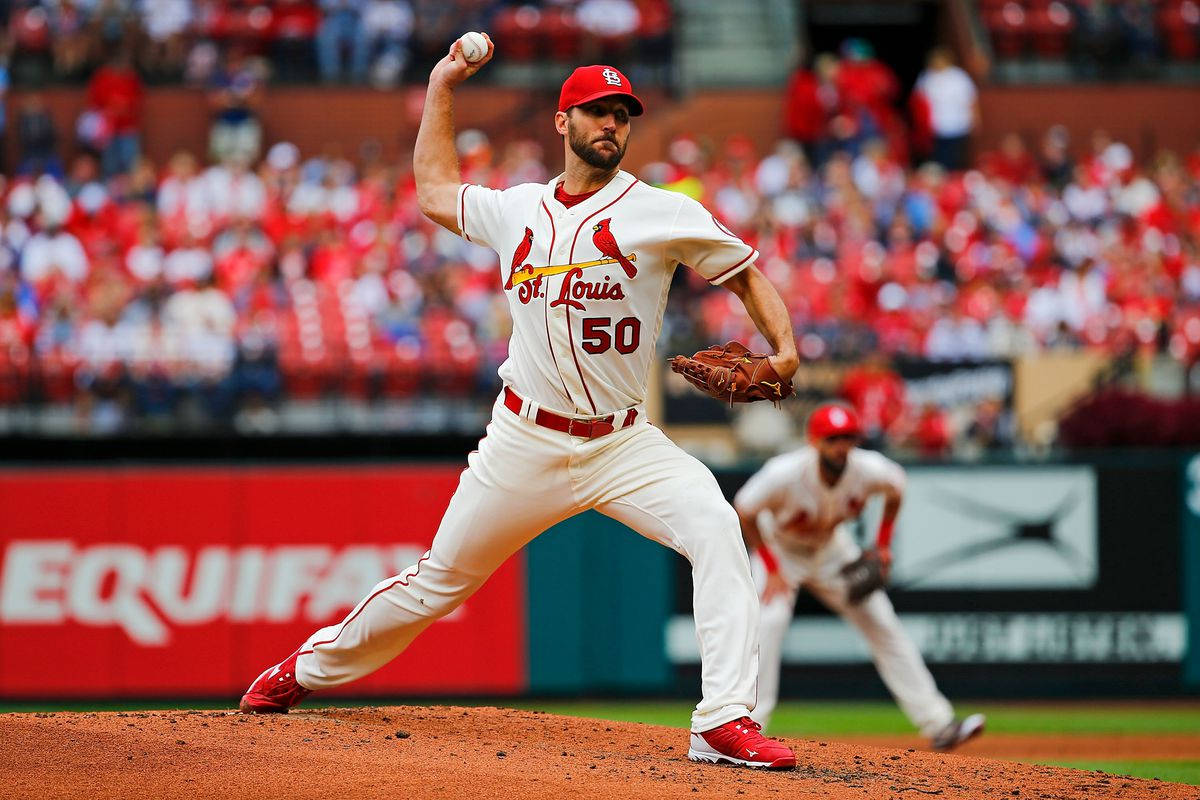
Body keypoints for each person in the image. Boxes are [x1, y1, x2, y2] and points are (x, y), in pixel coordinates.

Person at [238, 36, 802, 771]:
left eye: (622, 114)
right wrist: (441, 85)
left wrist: (784, 351)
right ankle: (300, 673)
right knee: (437, 584)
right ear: (562, 122)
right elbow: (436, 192)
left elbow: (748, 274)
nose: (612, 124)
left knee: (717, 529)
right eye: (597, 111)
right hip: (525, 439)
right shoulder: (517, 211)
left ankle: (722, 719)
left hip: (624, 443)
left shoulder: (659, 212)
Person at [733, 402, 985, 751]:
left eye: (848, 437)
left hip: (831, 552)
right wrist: (772, 568)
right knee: (768, 625)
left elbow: (897, 488)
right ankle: (751, 730)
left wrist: (882, 545)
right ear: (814, 441)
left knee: (882, 622)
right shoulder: (784, 472)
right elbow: (744, 509)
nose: (841, 446)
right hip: (781, 552)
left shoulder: (868, 469)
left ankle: (940, 724)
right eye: (833, 438)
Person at [913, 47, 977, 172]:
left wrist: (974, 119)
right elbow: (918, 99)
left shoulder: (958, 77)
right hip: (933, 126)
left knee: (953, 156)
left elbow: (970, 99)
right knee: (936, 156)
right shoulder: (927, 77)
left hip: (956, 124)